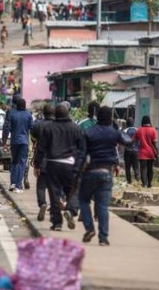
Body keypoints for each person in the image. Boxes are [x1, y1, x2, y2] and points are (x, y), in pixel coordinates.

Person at [78, 107, 133, 246]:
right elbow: (128, 141)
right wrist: (116, 129)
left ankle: (89, 228)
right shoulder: (114, 133)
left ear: (97, 116)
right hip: (107, 173)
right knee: (102, 206)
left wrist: (76, 172)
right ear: (110, 118)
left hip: (90, 172)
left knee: (84, 200)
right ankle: (103, 238)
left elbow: (82, 154)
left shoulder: (88, 132)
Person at [39, 103, 84, 231]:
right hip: (70, 165)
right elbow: (82, 149)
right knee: (75, 190)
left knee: (54, 194)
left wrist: (37, 164)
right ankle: (71, 210)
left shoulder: (48, 128)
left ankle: (57, 222)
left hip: (52, 164)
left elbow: (41, 148)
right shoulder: (76, 128)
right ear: (68, 113)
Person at [2, 97, 33, 192]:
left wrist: (4, 141)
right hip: (24, 142)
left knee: (14, 162)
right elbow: (32, 129)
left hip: (14, 141)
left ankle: (13, 183)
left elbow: (6, 128)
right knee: (22, 163)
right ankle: (18, 185)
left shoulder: (11, 113)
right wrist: (35, 143)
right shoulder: (28, 115)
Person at [31, 104, 54, 221]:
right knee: (54, 187)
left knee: (41, 185)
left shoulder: (38, 125)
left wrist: (36, 164)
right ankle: (55, 208)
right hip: (56, 161)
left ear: (43, 113)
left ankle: (42, 203)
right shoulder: (58, 126)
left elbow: (35, 142)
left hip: (43, 161)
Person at [134, 115, 158, 188]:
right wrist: (156, 153)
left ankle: (144, 183)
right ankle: (149, 184)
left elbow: (133, 140)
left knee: (143, 169)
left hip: (142, 153)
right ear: (149, 121)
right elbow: (155, 144)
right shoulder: (153, 130)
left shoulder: (139, 130)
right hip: (151, 153)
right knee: (150, 169)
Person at [122, 117, 139, 185]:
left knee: (127, 167)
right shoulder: (137, 130)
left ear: (127, 123)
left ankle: (129, 182)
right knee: (136, 166)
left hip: (127, 151)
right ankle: (137, 181)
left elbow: (122, 141)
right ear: (133, 123)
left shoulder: (125, 130)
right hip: (136, 151)